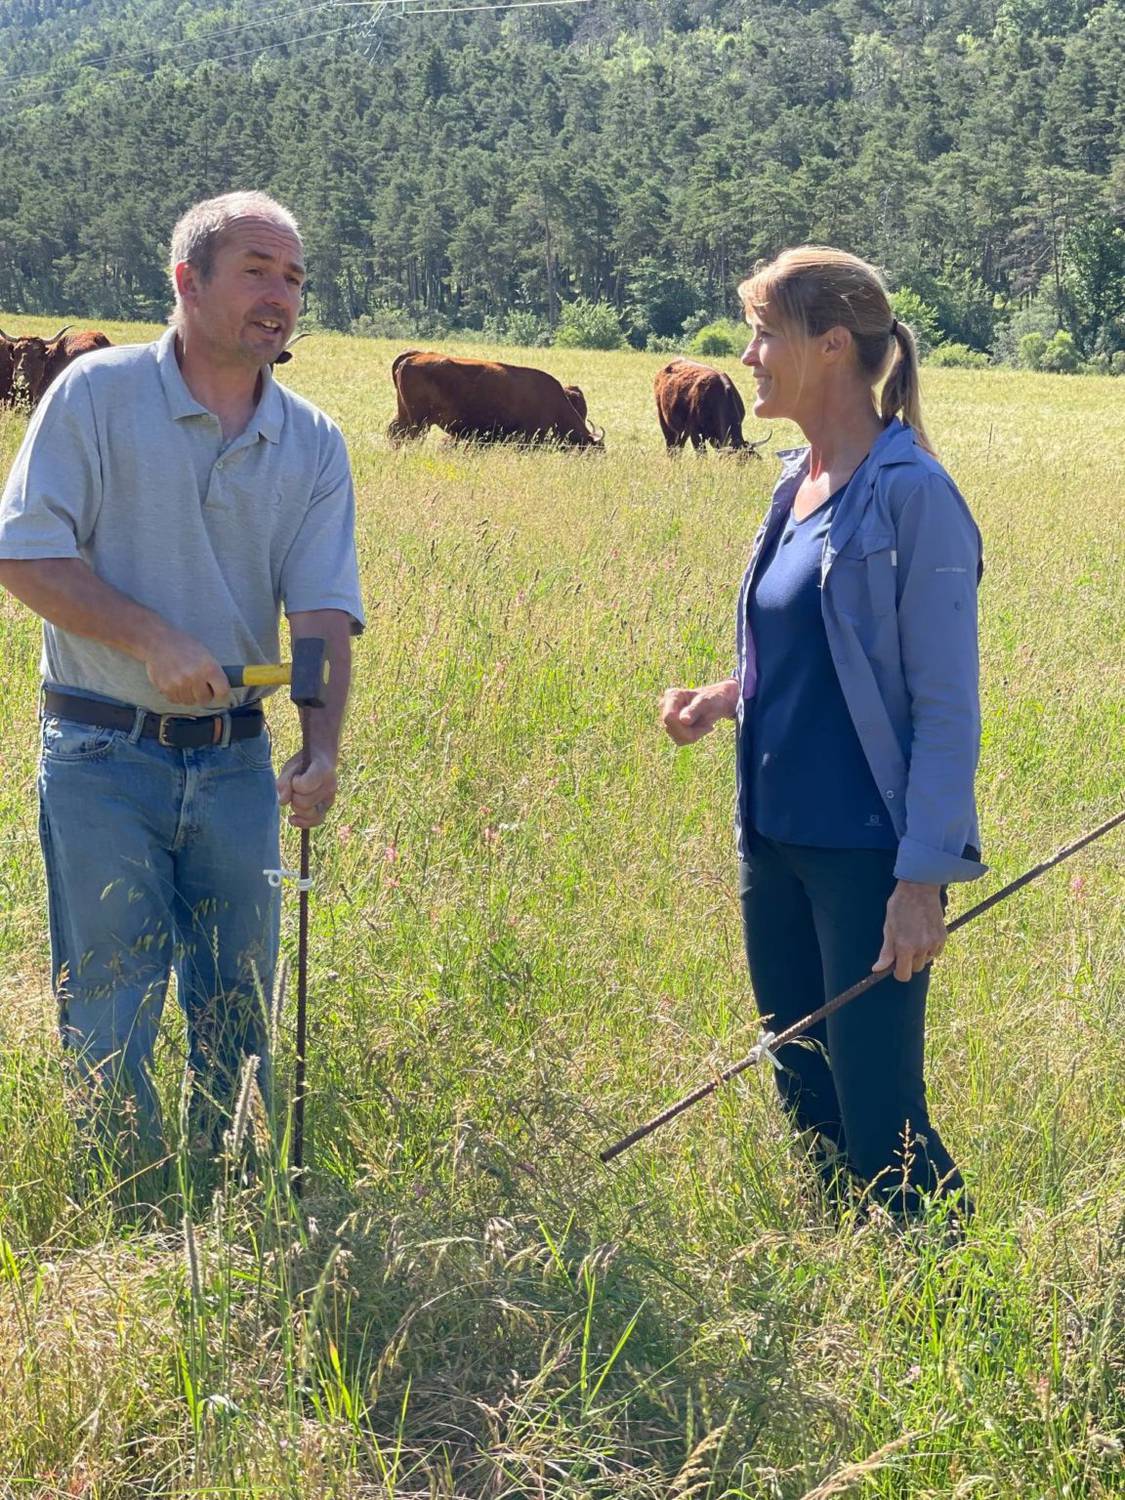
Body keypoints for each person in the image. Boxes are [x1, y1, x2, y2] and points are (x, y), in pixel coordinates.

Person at [0, 191, 364, 1180]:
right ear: (186, 282)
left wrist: (321, 745)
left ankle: (236, 1191)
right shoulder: (96, 396)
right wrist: (149, 635)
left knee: (242, 996)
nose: (280, 294)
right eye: (255, 269)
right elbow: (26, 557)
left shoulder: (314, 441)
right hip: (99, 753)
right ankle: (124, 1200)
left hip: (238, 760)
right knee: (110, 995)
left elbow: (322, 615)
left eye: (292, 277)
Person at [661, 246, 983, 1222]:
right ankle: (855, 1302)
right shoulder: (794, 483)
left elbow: (944, 705)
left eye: (764, 332)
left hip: (866, 861)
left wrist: (921, 881)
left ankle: (955, 1299)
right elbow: (815, 657)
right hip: (775, 847)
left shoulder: (912, 495)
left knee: (882, 1120)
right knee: (804, 1093)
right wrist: (726, 698)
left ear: (832, 345)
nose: (748, 354)